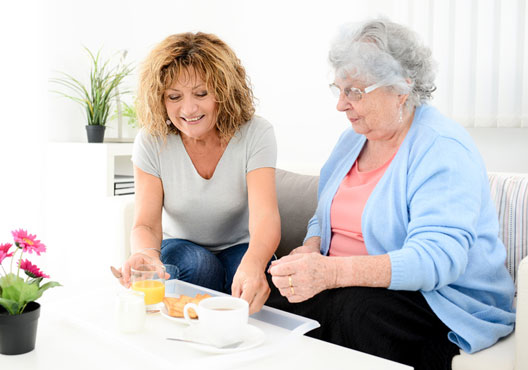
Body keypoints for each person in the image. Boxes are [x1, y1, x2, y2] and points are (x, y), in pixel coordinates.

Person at [267, 18, 515, 370]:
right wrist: (311, 248)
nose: (341, 104)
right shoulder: (351, 140)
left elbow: (435, 260)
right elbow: (322, 215)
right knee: (269, 294)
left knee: (357, 311)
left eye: (354, 91)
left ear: (402, 87)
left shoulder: (442, 148)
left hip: (439, 302)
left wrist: (330, 273)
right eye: (338, 89)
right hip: (350, 290)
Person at [116, 32, 280, 314]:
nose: (188, 109)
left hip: (238, 244)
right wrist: (146, 256)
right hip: (180, 244)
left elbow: (265, 215)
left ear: (224, 92)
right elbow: (146, 224)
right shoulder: (151, 140)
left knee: (260, 275)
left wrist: (254, 264)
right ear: (160, 99)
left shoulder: (256, 133)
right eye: (174, 97)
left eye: (201, 94)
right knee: (198, 266)